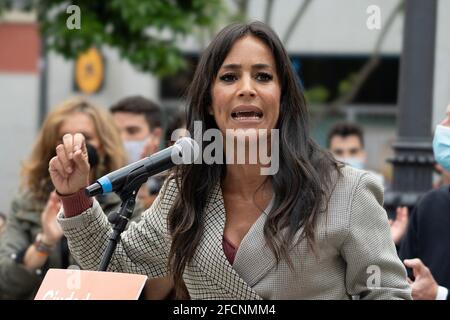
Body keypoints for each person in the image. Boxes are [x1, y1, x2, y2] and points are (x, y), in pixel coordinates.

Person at [50, 22, 411, 299]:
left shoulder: (346, 191)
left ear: (282, 97)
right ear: (209, 100)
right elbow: (118, 269)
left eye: (263, 76)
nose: (247, 88)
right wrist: (74, 196)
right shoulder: (184, 190)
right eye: (229, 77)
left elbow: (387, 292)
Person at [0, 98, 132, 299]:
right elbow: (6, 282)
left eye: (85, 137)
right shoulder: (27, 203)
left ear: (104, 146)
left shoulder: (125, 203)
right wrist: (44, 243)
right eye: (64, 138)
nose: (74, 148)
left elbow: (134, 277)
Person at [399, 105, 450, 300]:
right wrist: (388, 245)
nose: (442, 127)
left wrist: (439, 295)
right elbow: (405, 282)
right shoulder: (431, 204)